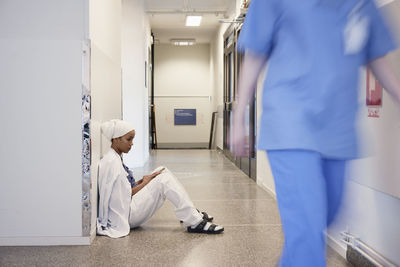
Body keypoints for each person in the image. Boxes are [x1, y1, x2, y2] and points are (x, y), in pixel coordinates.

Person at [233, 0, 400, 266]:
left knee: (325, 217)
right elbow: (255, 55)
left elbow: (375, 54)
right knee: (307, 232)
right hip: (290, 124)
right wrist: (239, 116)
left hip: (339, 130)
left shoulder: (361, 3)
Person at [97, 119, 224, 238]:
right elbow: (125, 194)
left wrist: (142, 181)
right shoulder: (111, 163)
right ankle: (195, 221)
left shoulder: (114, 158)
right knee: (164, 180)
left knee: (162, 170)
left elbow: (122, 188)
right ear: (116, 139)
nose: (132, 143)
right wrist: (146, 182)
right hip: (127, 215)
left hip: (129, 207)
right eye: (128, 139)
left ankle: (191, 213)